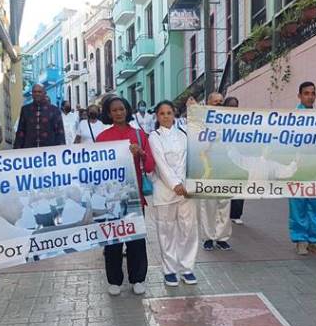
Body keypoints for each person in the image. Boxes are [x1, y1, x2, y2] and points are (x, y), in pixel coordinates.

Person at [96, 97, 155, 296]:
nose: (118, 113)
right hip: (111, 199)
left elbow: (149, 167)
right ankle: (114, 280)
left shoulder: (139, 136)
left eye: (122, 109)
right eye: (114, 110)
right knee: (112, 241)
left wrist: (141, 154)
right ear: (109, 113)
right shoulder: (102, 138)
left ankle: (138, 278)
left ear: (127, 110)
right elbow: (96, 170)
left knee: (136, 240)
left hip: (135, 197)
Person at [149, 100, 199, 287]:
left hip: (186, 190)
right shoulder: (154, 137)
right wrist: (175, 184)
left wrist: (186, 184)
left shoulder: (184, 134)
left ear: (174, 114)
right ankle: (170, 270)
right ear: (157, 116)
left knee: (189, 229)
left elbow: (192, 157)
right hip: (164, 190)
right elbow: (160, 163)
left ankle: (188, 268)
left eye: (169, 113)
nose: (166, 116)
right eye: (162, 113)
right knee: (166, 231)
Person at [289, 82, 316, 255]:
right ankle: (300, 240)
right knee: (298, 204)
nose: (310, 96)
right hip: (297, 168)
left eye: (312, 93)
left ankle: (314, 241)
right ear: (299, 96)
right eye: (306, 93)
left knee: (315, 204)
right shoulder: (291, 117)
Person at [198, 91, 232, 251]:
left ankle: (222, 237)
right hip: (207, 168)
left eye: (221, 101)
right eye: (215, 101)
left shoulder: (229, 121)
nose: (219, 104)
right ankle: (208, 237)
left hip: (225, 167)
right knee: (208, 204)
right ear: (208, 103)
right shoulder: (201, 121)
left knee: (224, 203)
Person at [13, 84, 66, 149]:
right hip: (29, 151)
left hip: (50, 151)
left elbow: (60, 132)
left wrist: (61, 149)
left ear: (45, 93)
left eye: (39, 92)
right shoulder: (26, 110)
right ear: (32, 94)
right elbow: (21, 132)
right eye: (34, 92)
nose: (37, 94)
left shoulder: (54, 110)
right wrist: (16, 150)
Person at [223, 96, 245, 225]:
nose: (233, 108)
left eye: (235, 106)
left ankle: (236, 214)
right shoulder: (219, 121)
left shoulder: (242, 121)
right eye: (231, 106)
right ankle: (225, 213)